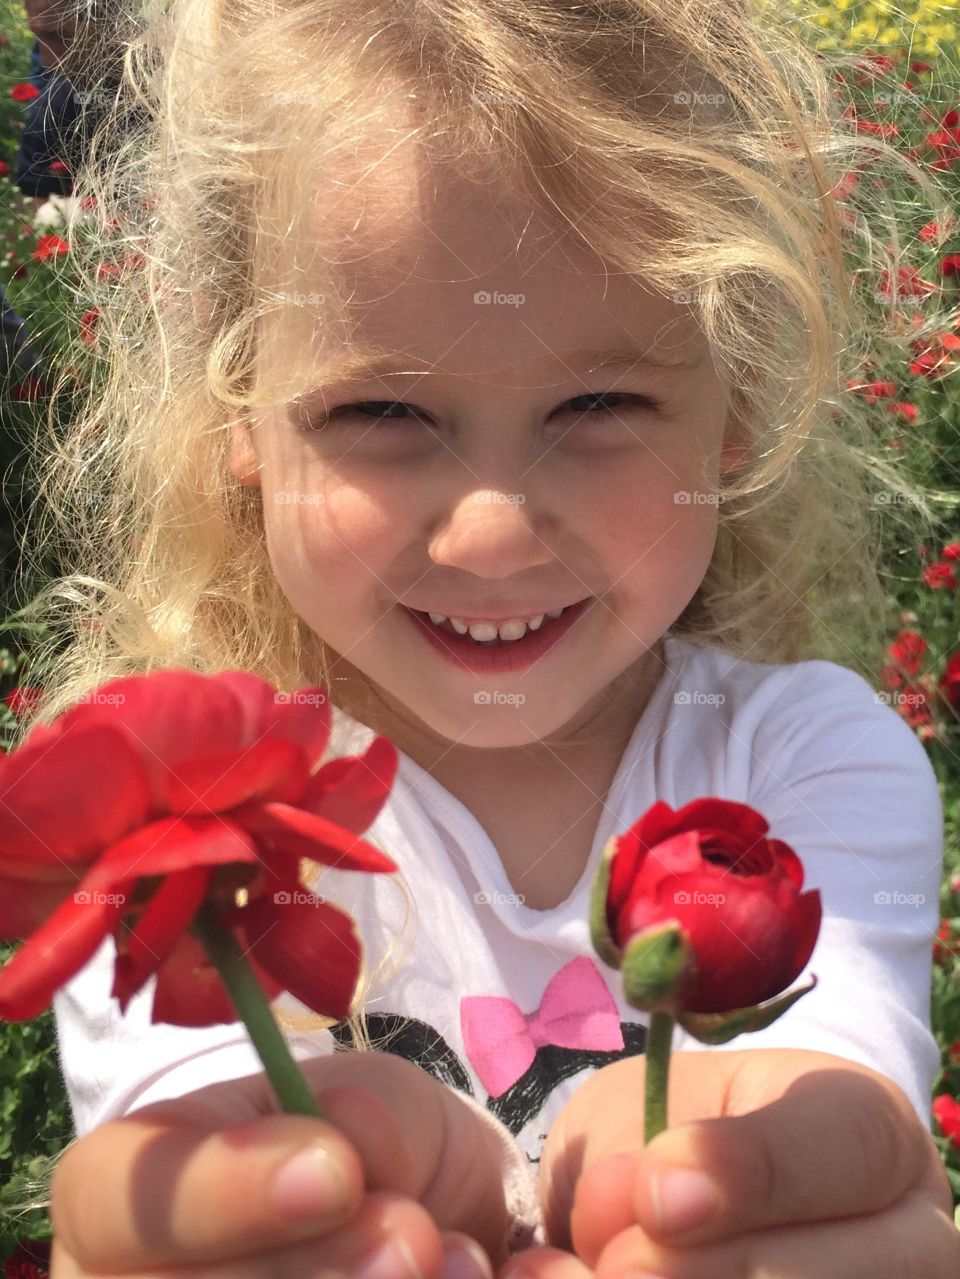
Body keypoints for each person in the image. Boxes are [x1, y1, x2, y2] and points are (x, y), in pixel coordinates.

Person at [11, 0, 960, 1275]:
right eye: (381, 411)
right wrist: (241, 1221)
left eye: (600, 401)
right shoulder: (172, 828)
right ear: (239, 408)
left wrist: (770, 1184)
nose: (493, 535)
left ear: (735, 403)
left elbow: (835, 1073)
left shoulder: (808, 763)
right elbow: (195, 1154)